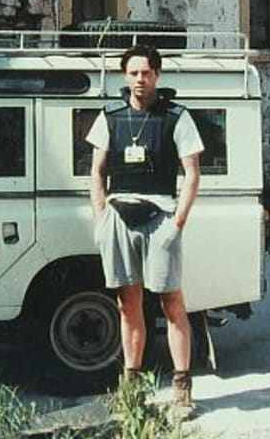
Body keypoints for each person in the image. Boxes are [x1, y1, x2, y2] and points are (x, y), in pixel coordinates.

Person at [87, 44, 203, 419]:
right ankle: (131, 385)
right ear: (125, 75)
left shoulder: (176, 117)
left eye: (146, 72)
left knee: (172, 303)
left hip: (160, 217)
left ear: (157, 75)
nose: (140, 79)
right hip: (119, 217)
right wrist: (101, 217)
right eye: (134, 72)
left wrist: (177, 222)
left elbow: (192, 174)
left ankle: (182, 388)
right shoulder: (110, 117)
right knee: (128, 303)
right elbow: (97, 173)